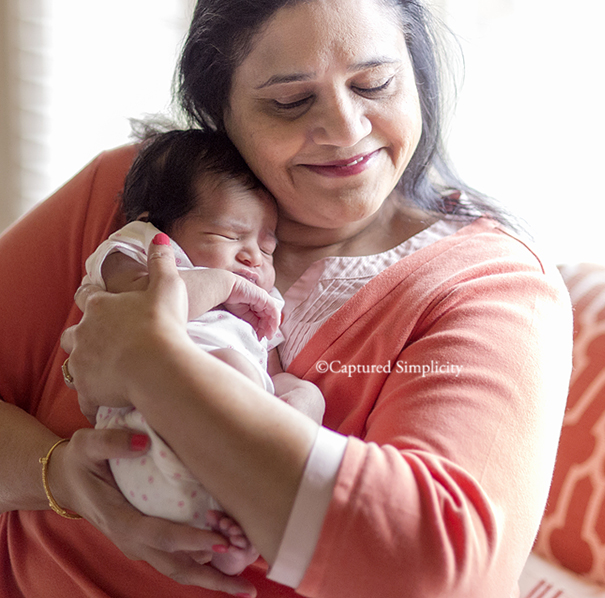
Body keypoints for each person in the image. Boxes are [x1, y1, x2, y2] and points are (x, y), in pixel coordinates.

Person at [0, 1, 573, 597]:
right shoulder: (147, 194)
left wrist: (151, 366)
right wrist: (60, 478)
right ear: (218, 109)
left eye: (374, 83)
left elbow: (437, 570)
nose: (348, 129)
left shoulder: (493, 290)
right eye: (291, 102)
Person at [84, 128, 326, 577]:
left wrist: (286, 390)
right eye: (229, 235)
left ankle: (242, 535)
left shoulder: (256, 309)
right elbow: (144, 306)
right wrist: (226, 285)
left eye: (267, 246)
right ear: (154, 223)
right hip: (147, 436)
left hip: (227, 463)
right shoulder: (141, 248)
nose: (254, 257)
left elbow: (268, 373)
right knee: (229, 368)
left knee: (306, 394)